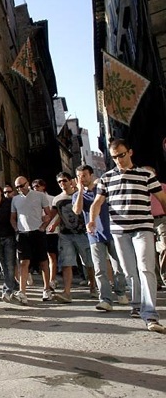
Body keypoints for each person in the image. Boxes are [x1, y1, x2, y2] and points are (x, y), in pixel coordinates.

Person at [88, 139, 166, 333]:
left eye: (121, 155)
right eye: (114, 157)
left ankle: (150, 314)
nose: (118, 160)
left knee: (146, 268)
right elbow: (97, 202)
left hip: (143, 228)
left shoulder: (146, 175)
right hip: (119, 232)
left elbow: (162, 199)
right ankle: (137, 304)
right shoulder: (106, 178)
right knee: (130, 271)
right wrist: (92, 220)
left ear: (130, 152)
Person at [72, 165, 128, 311]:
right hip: (94, 235)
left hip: (113, 232)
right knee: (99, 269)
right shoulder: (77, 195)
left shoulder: (102, 189)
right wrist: (79, 191)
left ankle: (121, 292)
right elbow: (77, 211)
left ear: (91, 175)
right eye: (79, 176)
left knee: (119, 267)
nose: (82, 178)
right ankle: (105, 300)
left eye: (84, 175)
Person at [48, 172, 95, 303]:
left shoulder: (79, 194)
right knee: (66, 263)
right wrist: (46, 225)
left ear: (70, 181)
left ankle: (93, 286)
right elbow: (56, 214)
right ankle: (67, 292)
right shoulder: (57, 199)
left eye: (64, 181)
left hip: (82, 233)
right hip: (65, 234)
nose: (62, 184)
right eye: (59, 182)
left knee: (89, 262)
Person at [10, 176, 52, 305]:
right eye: (17, 187)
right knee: (23, 262)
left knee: (43, 262)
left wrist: (43, 227)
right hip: (23, 234)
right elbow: (13, 217)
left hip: (37, 232)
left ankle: (47, 289)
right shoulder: (15, 199)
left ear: (27, 183)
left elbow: (48, 214)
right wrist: (17, 229)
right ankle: (22, 291)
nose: (20, 189)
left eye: (21, 186)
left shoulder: (39, 196)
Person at [32, 179, 59, 290]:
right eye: (33, 187)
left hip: (51, 231)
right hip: (39, 231)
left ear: (43, 187)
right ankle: (46, 281)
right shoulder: (33, 200)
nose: (35, 188)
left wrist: (54, 225)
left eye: (37, 186)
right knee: (42, 257)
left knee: (52, 256)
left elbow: (58, 214)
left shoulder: (52, 199)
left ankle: (52, 279)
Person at [143, 166, 166, 290]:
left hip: (162, 219)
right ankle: (156, 280)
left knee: (165, 247)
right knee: (149, 251)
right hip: (146, 221)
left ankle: (165, 276)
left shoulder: (163, 187)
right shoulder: (140, 189)